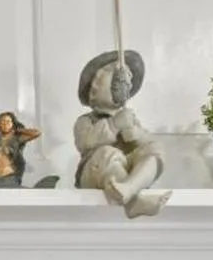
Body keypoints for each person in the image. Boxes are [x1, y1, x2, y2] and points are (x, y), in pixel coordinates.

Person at [72, 49, 168, 218]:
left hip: (124, 174)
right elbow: (85, 142)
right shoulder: (86, 120)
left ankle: (130, 188)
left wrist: (136, 134)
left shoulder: (129, 117)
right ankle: (133, 202)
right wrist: (114, 125)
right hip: (95, 174)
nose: (125, 84)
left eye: (127, 79)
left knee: (153, 149)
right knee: (107, 153)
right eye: (117, 78)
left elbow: (143, 144)